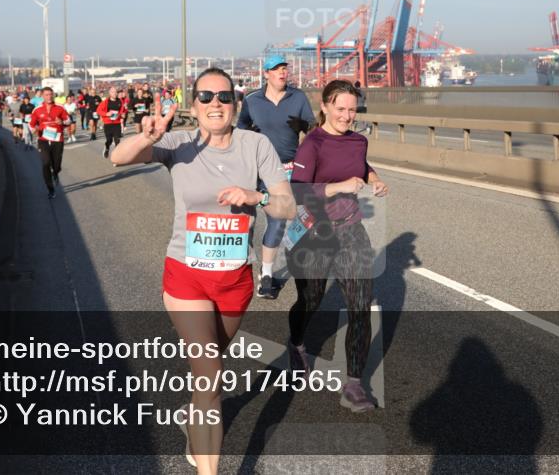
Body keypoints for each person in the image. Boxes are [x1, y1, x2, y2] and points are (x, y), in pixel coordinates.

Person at [110, 68, 293, 473]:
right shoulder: (178, 143)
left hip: (234, 281)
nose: (215, 104)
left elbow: (287, 206)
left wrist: (257, 195)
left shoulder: (256, 145)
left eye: (224, 97)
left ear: (236, 104)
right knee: (210, 374)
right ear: (193, 105)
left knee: (205, 376)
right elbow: (117, 157)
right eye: (206, 97)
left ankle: (195, 426)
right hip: (185, 277)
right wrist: (148, 136)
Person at [285, 79, 388, 413]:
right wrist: (337, 187)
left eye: (352, 109)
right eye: (340, 109)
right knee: (310, 300)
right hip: (314, 232)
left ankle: (354, 384)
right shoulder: (311, 145)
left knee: (360, 306)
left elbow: (360, 165)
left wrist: (373, 179)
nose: (347, 116)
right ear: (326, 106)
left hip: (351, 230)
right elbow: (297, 193)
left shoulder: (359, 141)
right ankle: (297, 344)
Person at [236, 54, 316, 299]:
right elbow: (240, 129)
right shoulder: (252, 100)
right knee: (277, 221)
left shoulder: (298, 97)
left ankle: (291, 255)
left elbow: (313, 129)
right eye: (277, 69)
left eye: (284, 68)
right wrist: (248, 134)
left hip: (292, 166)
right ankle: (267, 276)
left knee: (305, 218)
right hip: (263, 169)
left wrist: (303, 126)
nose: (283, 72)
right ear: (266, 74)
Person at [29, 87, 70, 198]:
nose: (49, 96)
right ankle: (50, 189)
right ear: (42, 96)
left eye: (51, 94)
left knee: (56, 165)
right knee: (45, 163)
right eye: (47, 95)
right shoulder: (37, 110)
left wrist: (62, 122)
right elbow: (31, 124)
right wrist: (34, 130)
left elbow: (69, 120)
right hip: (43, 140)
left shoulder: (60, 108)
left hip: (57, 139)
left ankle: (55, 173)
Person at [97, 86, 127, 158]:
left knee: (117, 139)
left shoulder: (120, 101)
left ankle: (117, 155)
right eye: (113, 92)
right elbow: (99, 111)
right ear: (110, 93)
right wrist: (106, 114)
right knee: (109, 140)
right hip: (108, 124)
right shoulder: (106, 102)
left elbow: (123, 110)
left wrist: (123, 114)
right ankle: (107, 148)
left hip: (117, 123)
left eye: (116, 92)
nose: (115, 93)